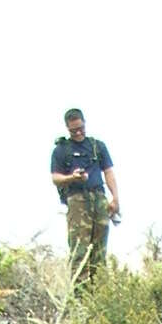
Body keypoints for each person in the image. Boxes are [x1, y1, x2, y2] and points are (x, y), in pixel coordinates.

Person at [50, 109, 119, 283]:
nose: (79, 133)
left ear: (84, 123)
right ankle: (79, 299)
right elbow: (55, 178)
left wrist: (115, 198)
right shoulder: (61, 150)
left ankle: (99, 296)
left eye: (81, 128)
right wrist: (72, 177)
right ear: (67, 128)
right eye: (74, 130)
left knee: (99, 252)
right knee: (79, 252)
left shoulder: (97, 146)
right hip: (77, 202)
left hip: (99, 200)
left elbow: (109, 172)